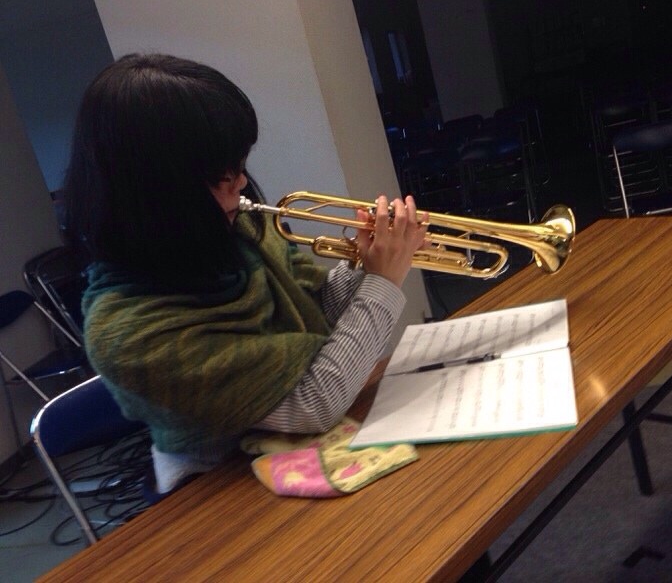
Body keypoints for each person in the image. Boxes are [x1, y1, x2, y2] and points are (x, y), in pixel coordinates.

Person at [63, 53, 428, 495]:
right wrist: (383, 283)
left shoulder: (238, 231)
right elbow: (314, 403)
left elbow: (315, 311)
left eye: (238, 163)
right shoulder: (129, 337)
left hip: (311, 451)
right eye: (220, 174)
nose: (239, 181)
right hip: (220, 487)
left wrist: (366, 264)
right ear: (154, 191)